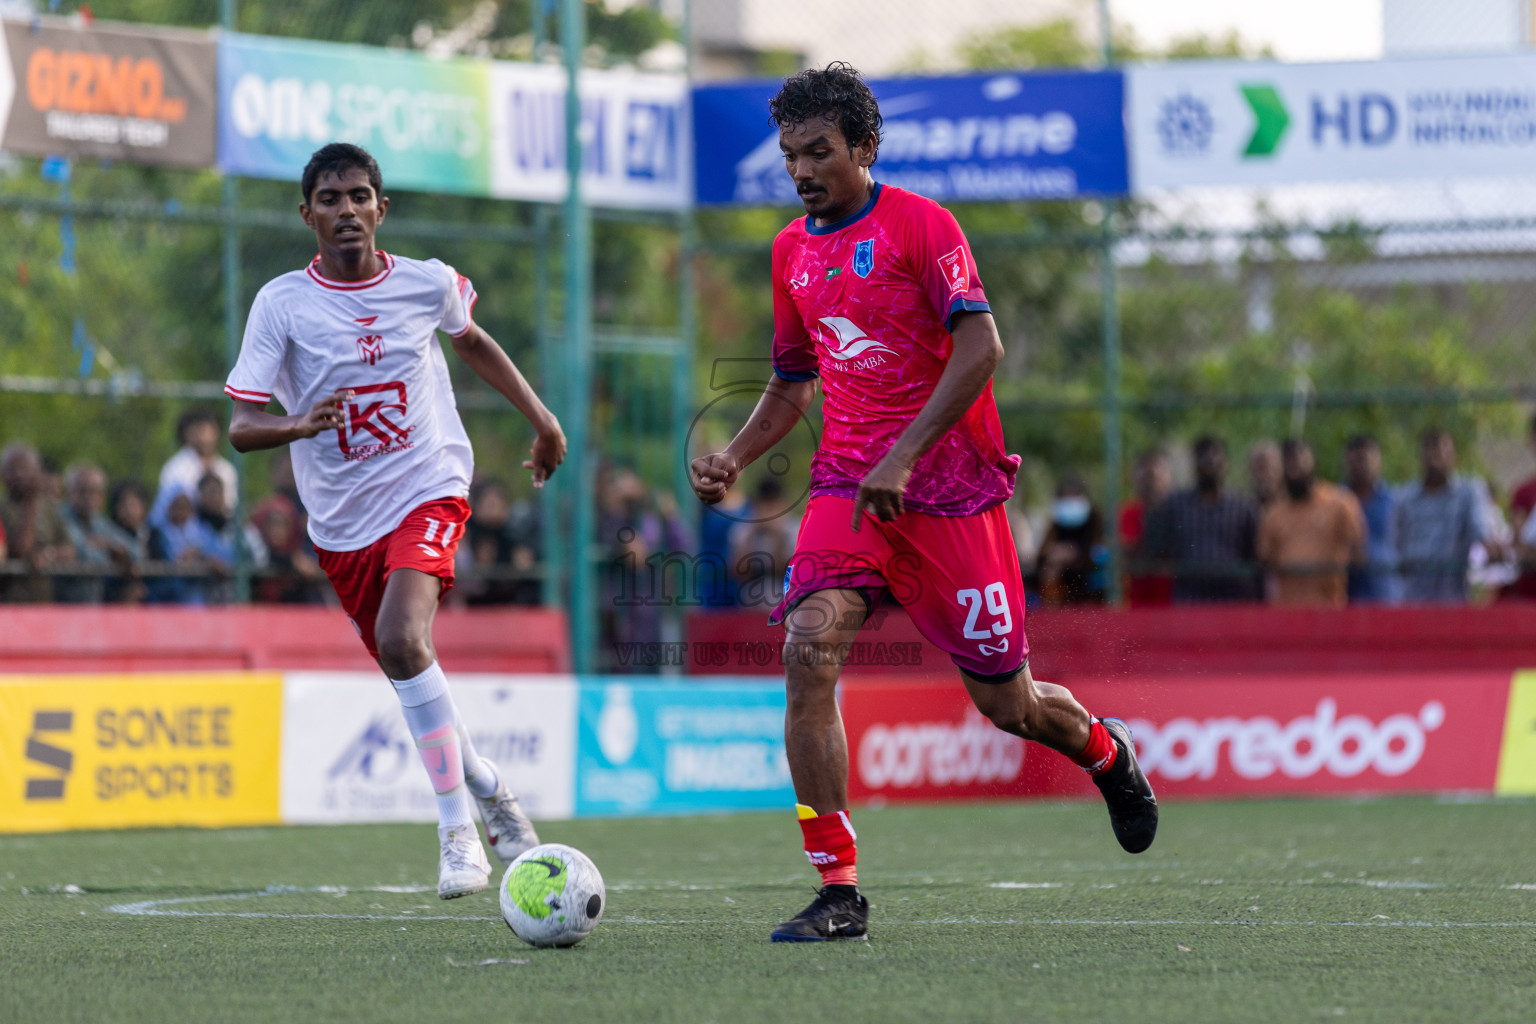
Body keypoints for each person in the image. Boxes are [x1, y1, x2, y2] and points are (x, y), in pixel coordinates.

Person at [688, 64, 1156, 944]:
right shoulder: (792, 250)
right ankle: (839, 890)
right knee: (807, 648)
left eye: (819, 151)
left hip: (950, 492)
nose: (802, 170)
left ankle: (1105, 751)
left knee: (1008, 705)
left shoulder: (921, 225)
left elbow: (982, 346)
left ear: (865, 147)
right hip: (846, 490)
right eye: (790, 156)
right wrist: (735, 456)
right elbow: (793, 381)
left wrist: (905, 457)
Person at [224, 142, 566, 899]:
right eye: (330, 198)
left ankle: (457, 837)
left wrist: (541, 420)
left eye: (359, 196)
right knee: (409, 669)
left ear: (382, 207)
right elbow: (242, 426)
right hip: (342, 523)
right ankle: (490, 788)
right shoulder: (281, 303)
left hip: (430, 484)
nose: (346, 210)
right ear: (306, 213)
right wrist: (298, 425)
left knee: (403, 639)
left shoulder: (426, 283)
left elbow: (471, 340)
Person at [1142, 435, 1260, 603]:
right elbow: (1156, 547)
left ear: (1225, 464)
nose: (1209, 463)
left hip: (1233, 598)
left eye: (1215, 458)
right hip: (1189, 597)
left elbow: (1255, 555)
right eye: (1203, 459)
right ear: (1195, 465)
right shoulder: (1175, 505)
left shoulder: (1244, 506)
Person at [1256, 440, 1364, 608]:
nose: (1295, 465)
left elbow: (1358, 554)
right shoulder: (1273, 513)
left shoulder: (1339, 503)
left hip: (1330, 608)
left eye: (1300, 457)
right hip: (1287, 610)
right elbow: (1265, 560)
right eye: (1289, 460)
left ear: (1312, 460)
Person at [1395, 429, 1482, 603]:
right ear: (1421, 458)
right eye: (1431, 454)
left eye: (1442, 454)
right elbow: (1396, 543)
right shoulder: (1404, 498)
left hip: (1453, 596)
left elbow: (1478, 532)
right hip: (1413, 597)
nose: (1436, 460)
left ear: (1453, 457)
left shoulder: (1468, 493)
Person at [0, 441, 74, 603]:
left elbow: (70, 549)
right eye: (12, 469)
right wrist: (30, 504)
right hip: (11, 601)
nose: (19, 474)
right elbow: (20, 550)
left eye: (24, 468)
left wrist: (49, 555)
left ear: (38, 471)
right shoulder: (3, 509)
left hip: (43, 601)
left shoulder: (48, 507)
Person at [57, 463, 132, 604]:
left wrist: (111, 547)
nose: (88, 497)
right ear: (69, 492)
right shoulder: (60, 519)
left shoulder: (101, 523)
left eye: (94, 491)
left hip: (93, 604)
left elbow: (135, 551)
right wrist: (109, 554)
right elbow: (84, 554)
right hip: (62, 604)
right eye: (82, 490)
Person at [1344, 434, 1400, 604]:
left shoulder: (1395, 501)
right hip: (1346, 597)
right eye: (1356, 460)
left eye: (1365, 459)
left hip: (1386, 595)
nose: (1361, 465)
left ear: (1378, 461)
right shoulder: (1335, 502)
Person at [1035, 477, 1106, 606]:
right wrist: (1053, 555)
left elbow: (1101, 552)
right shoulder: (1055, 524)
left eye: (1074, 497)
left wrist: (1074, 553)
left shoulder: (1097, 521)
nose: (1069, 502)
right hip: (1061, 575)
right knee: (1050, 570)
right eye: (1065, 498)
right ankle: (1052, 606)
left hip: (1088, 574)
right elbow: (1042, 555)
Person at [1119, 447, 1173, 607]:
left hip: (1172, 601)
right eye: (1146, 477)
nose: (1151, 483)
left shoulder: (1178, 512)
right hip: (1138, 602)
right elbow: (1126, 552)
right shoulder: (1127, 513)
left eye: (1156, 476)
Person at [160, 408, 238, 515]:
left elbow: (231, 508)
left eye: (210, 429)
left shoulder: (226, 469)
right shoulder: (175, 468)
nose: (206, 435)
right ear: (188, 433)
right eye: (201, 429)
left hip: (221, 529)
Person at [1247, 439, 1282, 510]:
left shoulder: (1295, 507)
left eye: (1268, 467)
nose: (1263, 476)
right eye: (1259, 468)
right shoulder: (1242, 510)